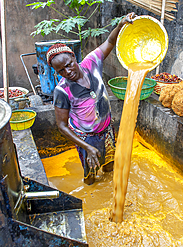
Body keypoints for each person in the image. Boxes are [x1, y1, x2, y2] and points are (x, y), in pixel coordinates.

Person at [46, 12, 137, 185]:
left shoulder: (91, 62)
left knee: (110, 167)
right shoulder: (63, 90)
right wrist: (87, 147)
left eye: (68, 65)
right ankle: (92, 195)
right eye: (61, 71)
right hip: (87, 138)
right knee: (91, 177)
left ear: (74, 56)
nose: (68, 72)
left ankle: (108, 191)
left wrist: (120, 24)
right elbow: (62, 125)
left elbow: (110, 42)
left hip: (107, 131)